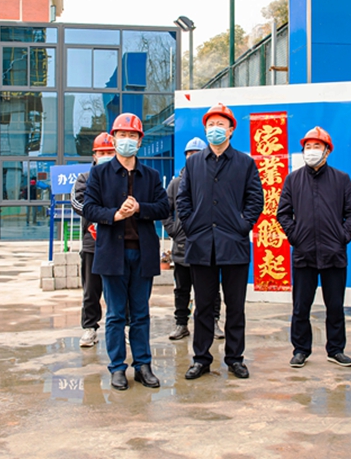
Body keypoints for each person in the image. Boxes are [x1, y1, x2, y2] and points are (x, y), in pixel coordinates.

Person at [82, 113, 170, 391]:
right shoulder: (99, 174)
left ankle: (143, 365)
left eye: (133, 136)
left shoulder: (151, 176)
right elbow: (89, 208)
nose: (127, 140)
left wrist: (140, 208)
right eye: (122, 135)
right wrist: (115, 215)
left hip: (142, 253)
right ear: (114, 138)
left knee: (141, 313)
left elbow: (164, 207)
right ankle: (117, 367)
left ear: (140, 141)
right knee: (116, 315)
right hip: (112, 253)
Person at [177, 103, 264, 380]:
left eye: (220, 125)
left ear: (231, 130)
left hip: (233, 245)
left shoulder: (244, 163)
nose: (215, 129)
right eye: (211, 125)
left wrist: (242, 225)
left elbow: (255, 199)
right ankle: (201, 358)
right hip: (201, 245)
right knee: (203, 306)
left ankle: (235, 358)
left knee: (235, 306)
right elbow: (183, 199)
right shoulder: (193, 163)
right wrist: (191, 226)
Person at [277, 127, 351, 368]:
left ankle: (336, 350)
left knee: (334, 306)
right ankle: (300, 350)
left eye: (317, 146)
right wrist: (295, 236)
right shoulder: (293, 179)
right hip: (304, 254)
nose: (311, 151)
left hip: (334, 254)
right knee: (301, 307)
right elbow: (283, 213)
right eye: (308, 147)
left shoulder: (341, 179)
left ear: (327, 151)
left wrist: (342, 236)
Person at [163, 137, 224, 341]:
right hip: (182, 247)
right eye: (189, 155)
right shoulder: (175, 184)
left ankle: (213, 322)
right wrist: (173, 230)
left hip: (208, 247)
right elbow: (165, 210)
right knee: (182, 289)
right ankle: (181, 324)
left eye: (196, 154)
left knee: (211, 288)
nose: (193, 158)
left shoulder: (214, 181)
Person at [70, 132, 115, 348]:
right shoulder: (84, 179)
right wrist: (103, 216)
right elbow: (78, 203)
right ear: (94, 155)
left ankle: (122, 326)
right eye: (102, 152)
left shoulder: (123, 178)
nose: (105, 156)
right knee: (91, 290)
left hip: (117, 242)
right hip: (92, 243)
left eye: (109, 152)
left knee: (119, 289)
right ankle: (90, 328)